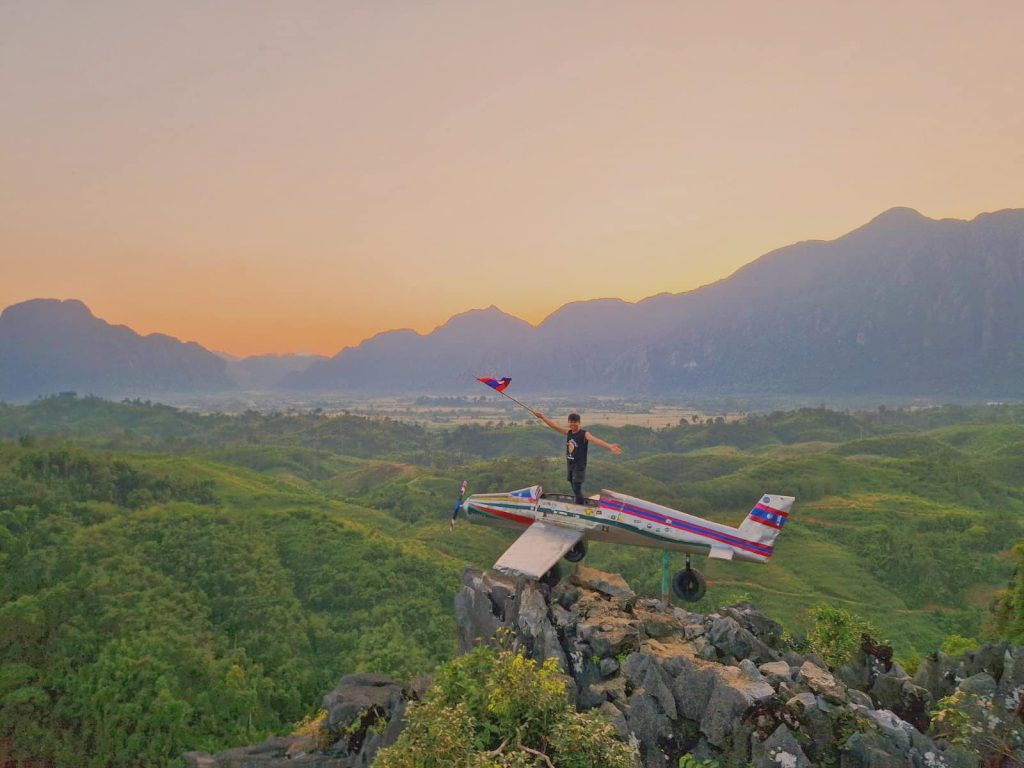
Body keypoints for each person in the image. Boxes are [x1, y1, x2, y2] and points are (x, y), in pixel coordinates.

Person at [532, 411, 622, 504]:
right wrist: (542, 417)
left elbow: (595, 440)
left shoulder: (584, 434)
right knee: (572, 483)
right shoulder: (569, 432)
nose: (572, 424)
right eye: (571, 422)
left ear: (579, 422)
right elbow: (555, 426)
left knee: (576, 485)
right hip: (570, 464)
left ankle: (580, 506)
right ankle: (579, 501)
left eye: (575, 422)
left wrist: (609, 446)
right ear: (568, 422)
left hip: (579, 466)